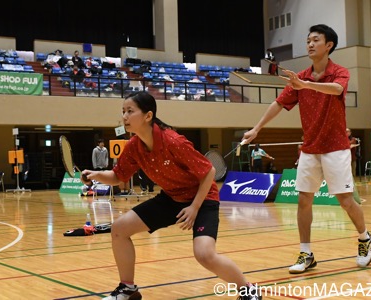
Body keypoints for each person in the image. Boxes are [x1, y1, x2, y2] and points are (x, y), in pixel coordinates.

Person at [81, 92, 261, 300]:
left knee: (204, 255)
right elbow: (117, 176)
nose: (125, 117)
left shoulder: (173, 141)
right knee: (120, 229)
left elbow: (209, 171)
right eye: (123, 112)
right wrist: (95, 175)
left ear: (148, 116)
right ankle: (127, 288)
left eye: (130, 111)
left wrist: (194, 208)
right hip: (171, 197)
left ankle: (247, 289)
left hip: (202, 199)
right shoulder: (133, 146)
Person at [242, 24, 371, 274]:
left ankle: (364, 238)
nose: (310, 44)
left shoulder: (339, 73)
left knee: (345, 200)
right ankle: (306, 252)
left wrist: (306, 85)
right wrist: (257, 128)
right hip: (310, 148)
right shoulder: (299, 78)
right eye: (308, 40)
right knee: (304, 200)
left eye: (315, 40)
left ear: (329, 45)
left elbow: (337, 90)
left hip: (335, 147)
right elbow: (279, 103)